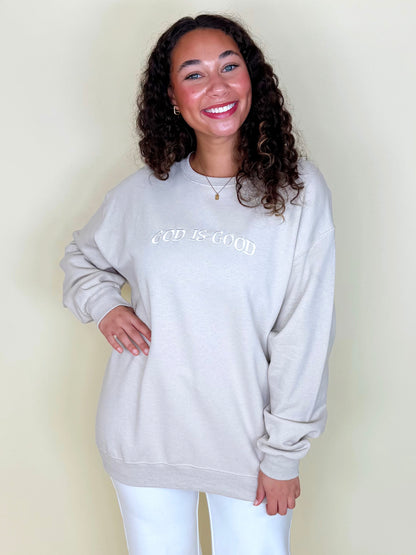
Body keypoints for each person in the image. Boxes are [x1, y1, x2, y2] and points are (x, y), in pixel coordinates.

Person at [59, 13, 336, 555]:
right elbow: (81, 258)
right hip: (143, 432)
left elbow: (305, 330)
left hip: (249, 444)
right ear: (172, 96)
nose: (217, 86)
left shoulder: (298, 191)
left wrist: (284, 453)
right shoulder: (142, 193)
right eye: (194, 74)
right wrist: (105, 305)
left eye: (229, 66)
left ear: (252, 78)